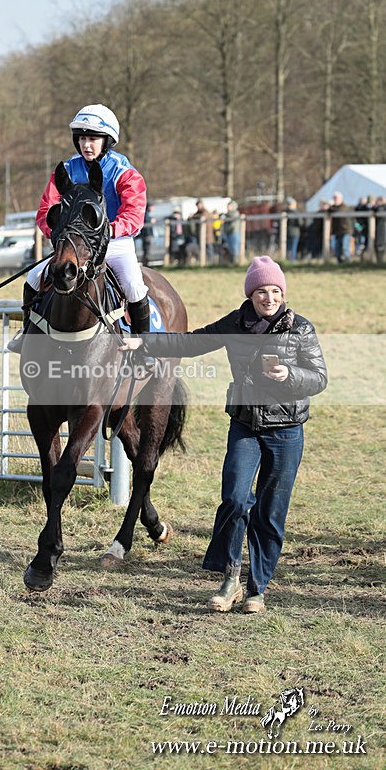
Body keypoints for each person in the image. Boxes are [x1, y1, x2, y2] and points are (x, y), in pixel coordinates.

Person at [121, 255, 328, 614]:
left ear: (283, 293)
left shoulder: (301, 328)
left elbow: (319, 377)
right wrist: (146, 343)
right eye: (261, 291)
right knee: (233, 499)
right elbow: (191, 343)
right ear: (250, 294)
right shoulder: (236, 323)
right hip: (245, 427)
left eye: (275, 290)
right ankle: (230, 578)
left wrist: (290, 376)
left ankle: (257, 589)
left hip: (287, 431)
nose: (269, 297)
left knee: (270, 511)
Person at [7, 104, 149, 353]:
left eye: (92, 139)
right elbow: (45, 211)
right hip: (75, 245)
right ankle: (28, 333)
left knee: (134, 286)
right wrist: (60, 234)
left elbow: (134, 216)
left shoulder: (125, 173)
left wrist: (107, 231)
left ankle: (145, 344)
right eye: (82, 138)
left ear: (107, 141)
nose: (86, 145)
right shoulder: (67, 171)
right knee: (32, 278)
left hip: (114, 242)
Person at [329, 191, 353, 263]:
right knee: (337, 247)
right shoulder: (333, 208)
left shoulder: (344, 207)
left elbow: (338, 211)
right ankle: (340, 262)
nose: (335, 200)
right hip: (337, 231)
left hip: (345, 230)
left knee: (345, 246)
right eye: (334, 198)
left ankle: (347, 261)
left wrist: (331, 206)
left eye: (336, 198)